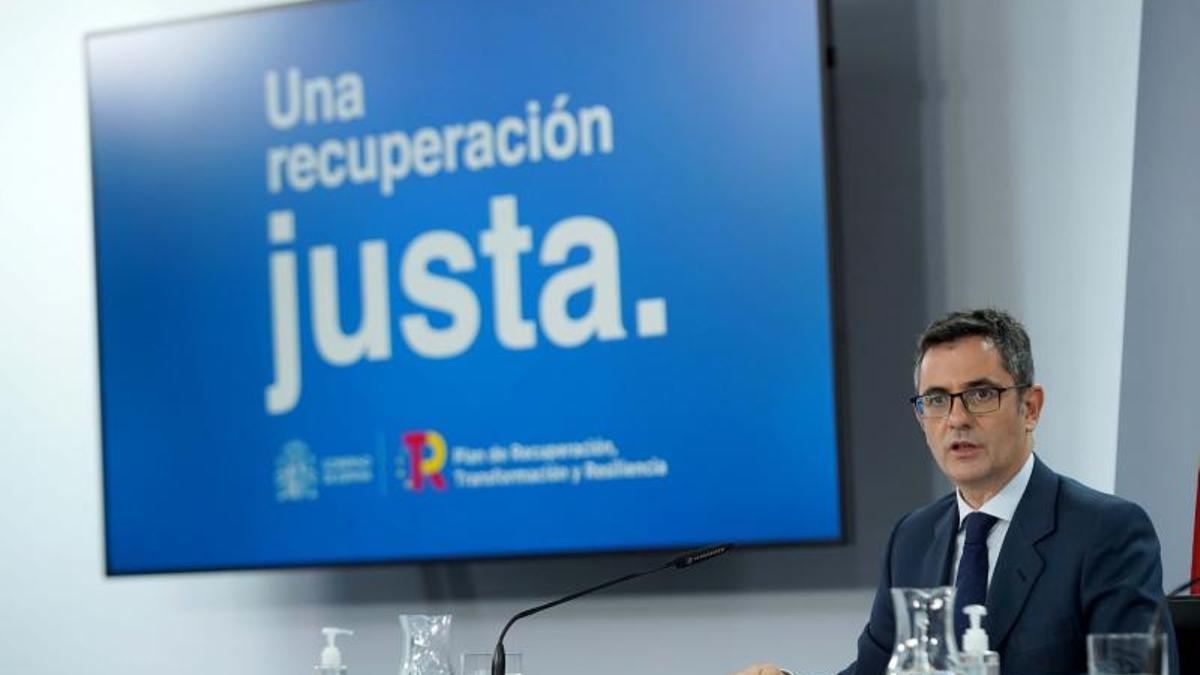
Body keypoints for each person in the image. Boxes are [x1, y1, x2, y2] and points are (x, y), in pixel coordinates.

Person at [736, 308, 1177, 675]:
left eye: (981, 394)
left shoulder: (1105, 531)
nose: (957, 418)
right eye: (937, 400)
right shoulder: (912, 537)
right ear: (921, 419)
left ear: (1031, 407)